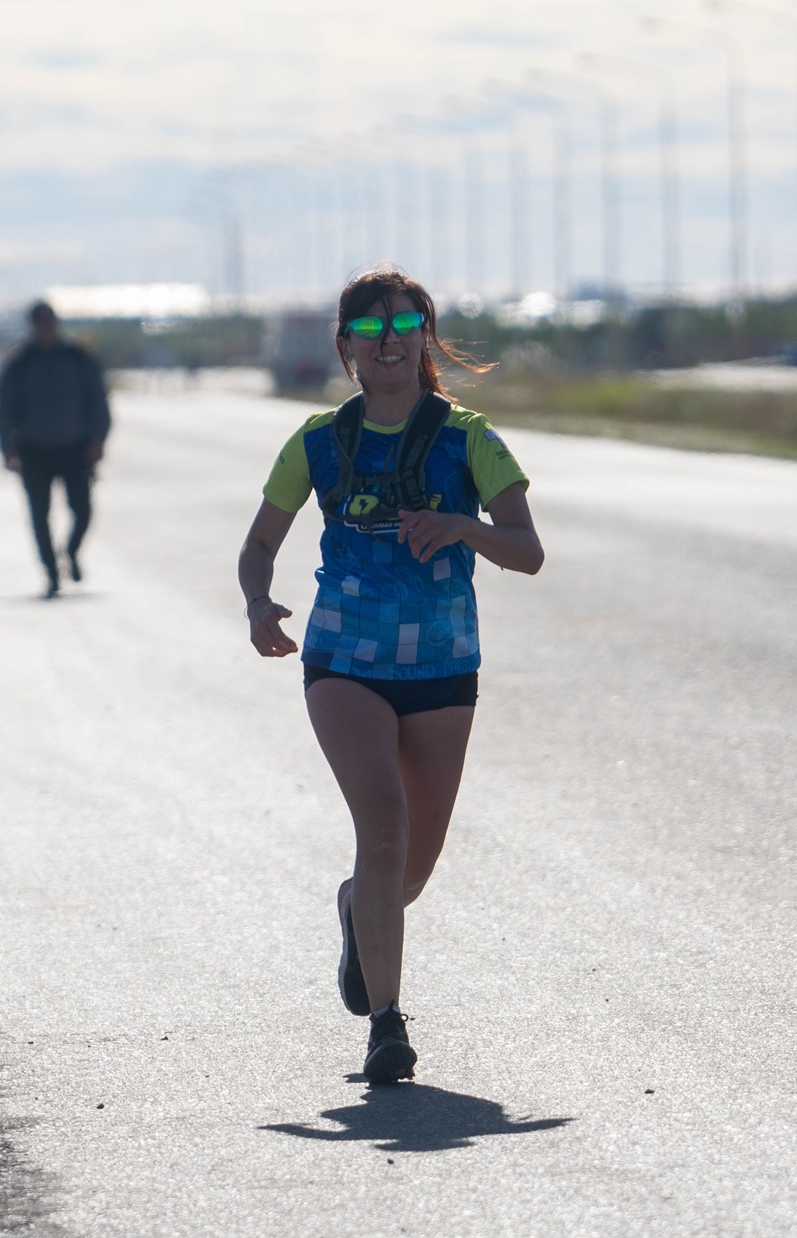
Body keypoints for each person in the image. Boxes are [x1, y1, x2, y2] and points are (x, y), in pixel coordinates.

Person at [237, 267, 543, 1083]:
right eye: (371, 330)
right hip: (344, 661)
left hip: (442, 664)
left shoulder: (468, 437)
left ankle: (355, 909)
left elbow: (529, 551)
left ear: (426, 338)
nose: (391, 340)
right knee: (383, 826)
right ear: (346, 347)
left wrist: (460, 525)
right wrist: (260, 603)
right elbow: (259, 542)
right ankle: (387, 1023)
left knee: (411, 865)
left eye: (407, 323)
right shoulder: (317, 440)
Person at [0, 301, 110, 597]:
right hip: (34, 450)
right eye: (39, 322)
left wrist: (98, 440)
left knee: (83, 511)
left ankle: (70, 551)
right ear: (32, 326)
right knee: (39, 516)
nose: (45, 327)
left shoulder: (77, 358)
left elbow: (98, 401)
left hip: (75, 449)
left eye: (49, 321)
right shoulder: (19, 363)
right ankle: (51, 572)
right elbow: (3, 409)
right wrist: (7, 448)